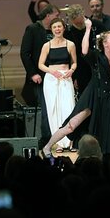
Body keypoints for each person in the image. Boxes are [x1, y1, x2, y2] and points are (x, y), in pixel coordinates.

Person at [42, 18, 110, 157]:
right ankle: (47, 147)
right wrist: (88, 29)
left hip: (109, 97)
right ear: (105, 43)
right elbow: (84, 50)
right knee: (72, 125)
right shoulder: (97, 56)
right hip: (93, 95)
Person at [20, 4, 60, 148]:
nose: (58, 18)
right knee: (45, 108)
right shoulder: (33, 29)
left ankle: (57, 137)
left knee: (55, 107)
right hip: (41, 76)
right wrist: (33, 73)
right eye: (56, 15)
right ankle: (46, 139)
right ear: (48, 15)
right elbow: (25, 53)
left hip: (56, 75)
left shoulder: (56, 30)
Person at [38, 17, 77, 153]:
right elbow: (41, 64)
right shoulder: (47, 45)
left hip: (66, 78)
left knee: (68, 108)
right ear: (51, 29)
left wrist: (71, 71)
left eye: (59, 26)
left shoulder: (70, 44)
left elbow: (74, 63)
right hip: (51, 79)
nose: (57, 29)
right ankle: (59, 143)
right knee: (53, 110)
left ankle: (70, 141)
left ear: (63, 28)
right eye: (55, 27)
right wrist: (52, 71)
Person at [64, 4, 106, 98]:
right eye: (76, 23)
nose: (79, 25)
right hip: (80, 69)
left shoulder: (96, 25)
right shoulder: (68, 32)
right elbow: (70, 57)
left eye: (80, 22)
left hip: (97, 64)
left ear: (83, 14)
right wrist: (74, 77)